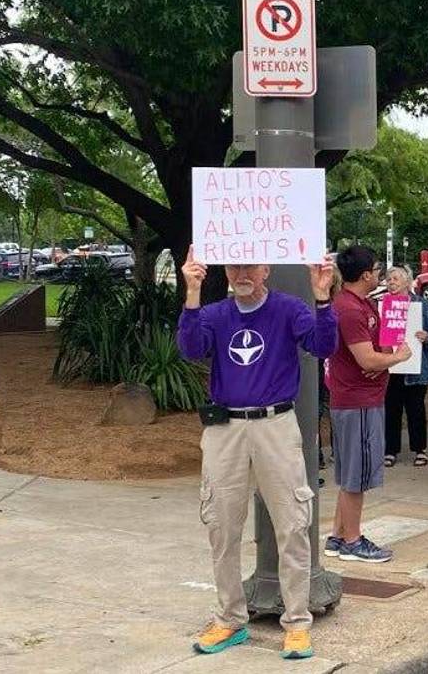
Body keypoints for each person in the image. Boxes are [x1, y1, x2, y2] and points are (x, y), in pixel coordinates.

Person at [176, 247, 337, 660]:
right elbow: (191, 349)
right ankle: (230, 619)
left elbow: (323, 345)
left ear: (267, 269)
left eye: (250, 265)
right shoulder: (214, 314)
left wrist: (323, 297)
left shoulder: (289, 309)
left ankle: (297, 623)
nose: (242, 273)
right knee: (222, 527)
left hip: (276, 427)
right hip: (225, 429)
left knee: (292, 525)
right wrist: (192, 292)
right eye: (234, 266)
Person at [323, 246, 410, 564]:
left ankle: (337, 535)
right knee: (355, 475)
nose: (380, 274)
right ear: (365, 275)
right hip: (356, 400)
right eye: (376, 269)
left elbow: (375, 353)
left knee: (350, 471)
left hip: (363, 397)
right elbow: (366, 358)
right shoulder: (349, 309)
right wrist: (395, 358)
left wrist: (381, 359)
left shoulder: (365, 304)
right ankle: (352, 540)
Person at [383, 266, 428, 467]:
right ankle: (390, 450)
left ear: (407, 282)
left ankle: (420, 449)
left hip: (416, 368)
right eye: (389, 279)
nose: (391, 282)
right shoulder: (383, 305)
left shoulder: (421, 305)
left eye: (396, 278)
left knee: (416, 410)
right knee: (391, 410)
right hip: (390, 368)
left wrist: (427, 337)